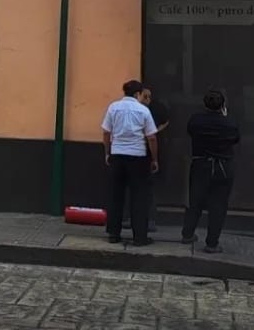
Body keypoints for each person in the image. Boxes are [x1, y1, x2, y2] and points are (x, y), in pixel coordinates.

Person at [181, 89, 241, 254]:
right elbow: (235, 139)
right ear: (222, 105)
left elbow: (190, 131)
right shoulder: (229, 122)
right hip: (223, 166)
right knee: (218, 204)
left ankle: (187, 233)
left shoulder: (196, 120)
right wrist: (224, 116)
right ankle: (212, 243)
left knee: (195, 200)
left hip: (201, 164)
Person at [101, 80, 159, 246]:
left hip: (117, 155)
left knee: (115, 195)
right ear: (138, 94)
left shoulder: (113, 107)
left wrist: (107, 152)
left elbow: (106, 132)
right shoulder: (143, 110)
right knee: (139, 197)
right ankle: (139, 236)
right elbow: (152, 137)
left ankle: (113, 233)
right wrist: (154, 158)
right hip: (138, 157)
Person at [122, 86, 170, 232]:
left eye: (149, 96)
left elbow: (165, 122)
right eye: (144, 96)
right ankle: (132, 218)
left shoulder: (155, 109)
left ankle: (150, 219)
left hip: (147, 153)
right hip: (136, 152)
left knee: (148, 188)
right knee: (134, 187)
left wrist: (156, 131)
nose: (146, 99)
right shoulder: (136, 110)